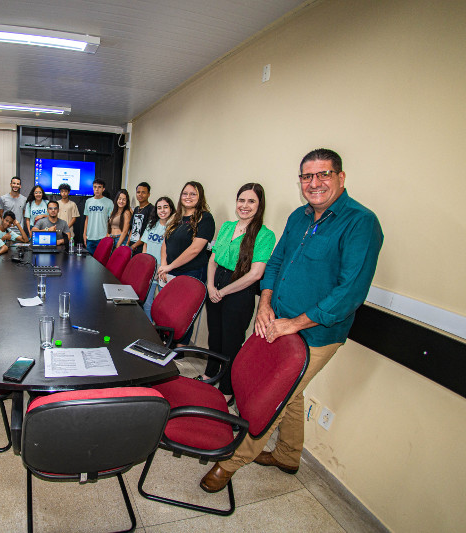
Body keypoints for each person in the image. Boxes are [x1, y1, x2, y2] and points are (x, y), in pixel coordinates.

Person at [200, 148, 383, 494]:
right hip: (279, 320)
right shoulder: (299, 217)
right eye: (307, 177)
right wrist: (265, 303)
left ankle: (230, 463)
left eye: (323, 175)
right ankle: (287, 454)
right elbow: (278, 261)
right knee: (292, 392)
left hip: (318, 333)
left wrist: (294, 324)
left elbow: (349, 292)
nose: (314, 183)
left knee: (275, 396)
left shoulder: (361, 222)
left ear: (341, 178)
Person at [200, 184, 276, 401]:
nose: (245, 205)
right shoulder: (226, 226)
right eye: (241, 200)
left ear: (259, 205)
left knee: (231, 342)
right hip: (216, 285)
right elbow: (213, 259)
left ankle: (226, 389)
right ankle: (210, 374)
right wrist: (210, 286)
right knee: (215, 336)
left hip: (239, 290)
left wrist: (223, 291)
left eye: (251, 201)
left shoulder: (265, 235)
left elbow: (255, 274)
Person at [156, 181, 215, 345]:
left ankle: (180, 350)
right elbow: (165, 243)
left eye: (193, 194)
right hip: (170, 271)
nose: (188, 197)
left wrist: (170, 266)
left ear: (200, 196)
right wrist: (163, 265)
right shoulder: (177, 217)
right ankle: (167, 343)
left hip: (192, 273)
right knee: (169, 310)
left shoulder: (205, 218)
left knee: (183, 313)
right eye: (185, 193)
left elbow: (195, 249)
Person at [139, 196, 175, 319]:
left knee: (163, 305)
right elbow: (145, 244)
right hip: (150, 269)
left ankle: (162, 333)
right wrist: (144, 264)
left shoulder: (174, 227)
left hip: (164, 270)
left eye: (165, 207)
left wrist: (165, 268)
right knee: (147, 303)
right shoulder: (151, 224)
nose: (162, 210)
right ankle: (149, 328)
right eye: (159, 208)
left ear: (171, 209)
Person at [83, 179, 114, 255]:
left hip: (103, 237)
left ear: (103, 189)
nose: (97, 189)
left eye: (99, 187)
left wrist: (108, 233)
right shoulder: (88, 201)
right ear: (93, 188)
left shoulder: (109, 202)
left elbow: (111, 220)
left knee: (102, 263)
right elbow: (87, 219)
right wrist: (84, 234)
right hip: (90, 237)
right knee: (89, 262)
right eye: (95, 187)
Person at [129, 182, 154, 254]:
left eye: (143, 192)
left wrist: (134, 246)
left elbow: (148, 231)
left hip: (142, 247)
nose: (140, 194)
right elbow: (133, 228)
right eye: (138, 192)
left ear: (148, 194)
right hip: (132, 245)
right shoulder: (136, 209)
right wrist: (128, 243)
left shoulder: (151, 209)